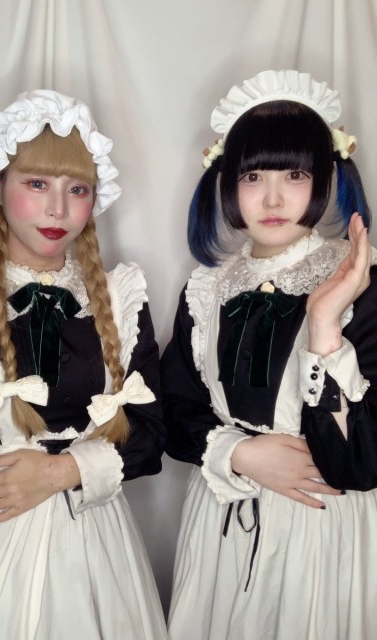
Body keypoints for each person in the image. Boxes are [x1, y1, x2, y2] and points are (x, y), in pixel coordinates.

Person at [0, 90, 167, 639]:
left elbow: (151, 434)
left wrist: (61, 471)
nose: (58, 209)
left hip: (95, 547)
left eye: (77, 189)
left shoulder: (120, 296)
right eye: (38, 183)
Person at [161, 69, 376, 640]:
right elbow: (174, 414)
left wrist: (325, 326)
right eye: (253, 176)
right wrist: (239, 453)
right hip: (222, 519)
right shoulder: (206, 288)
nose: (274, 198)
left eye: (295, 175)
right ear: (227, 183)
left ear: (325, 179)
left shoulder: (360, 280)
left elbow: (362, 462)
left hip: (320, 525)